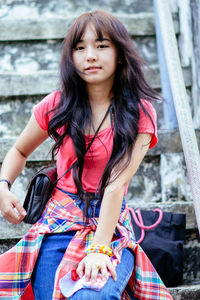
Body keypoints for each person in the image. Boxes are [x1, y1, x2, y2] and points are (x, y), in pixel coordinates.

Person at [0, 10, 173, 300]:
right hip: (57, 225)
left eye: (102, 46)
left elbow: (116, 185)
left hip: (109, 227)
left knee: (90, 297)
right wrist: (3, 186)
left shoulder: (140, 113)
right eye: (79, 48)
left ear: (120, 53)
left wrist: (99, 249)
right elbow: (19, 150)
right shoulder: (56, 105)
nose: (90, 55)